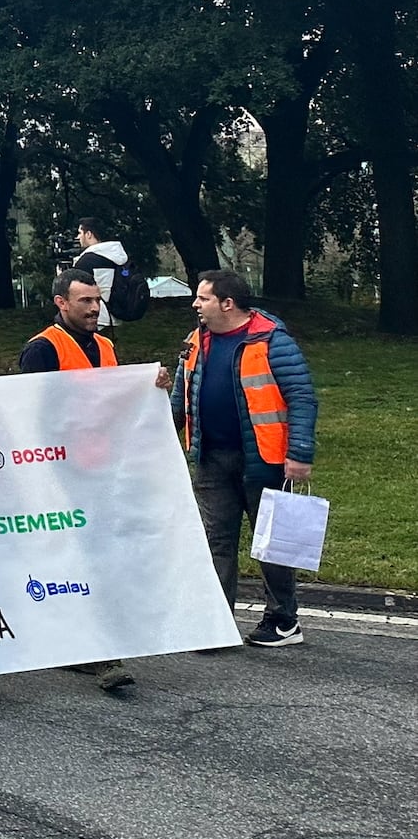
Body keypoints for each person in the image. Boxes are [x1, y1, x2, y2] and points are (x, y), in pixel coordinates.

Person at [19, 269, 168, 696]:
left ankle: (84, 641)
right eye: (83, 300)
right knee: (81, 557)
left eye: (96, 300)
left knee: (100, 555)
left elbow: (115, 400)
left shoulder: (105, 346)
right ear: (60, 303)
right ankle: (101, 653)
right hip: (62, 471)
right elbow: (32, 414)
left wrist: (148, 389)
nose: (93, 308)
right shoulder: (42, 349)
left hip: (102, 469)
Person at [172, 270, 317, 649]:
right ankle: (215, 622)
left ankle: (283, 620)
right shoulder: (195, 342)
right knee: (215, 541)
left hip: (263, 459)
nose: (195, 305)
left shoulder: (271, 340)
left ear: (227, 303)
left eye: (202, 298)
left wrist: (299, 453)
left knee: (270, 542)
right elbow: (179, 396)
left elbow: (301, 397)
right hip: (210, 457)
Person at [72, 219, 129, 328]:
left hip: (94, 317)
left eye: (80, 233)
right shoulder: (116, 255)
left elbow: (73, 289)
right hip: (114, 315)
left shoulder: (87, 260)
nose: (78, 237)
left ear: (88, 234)